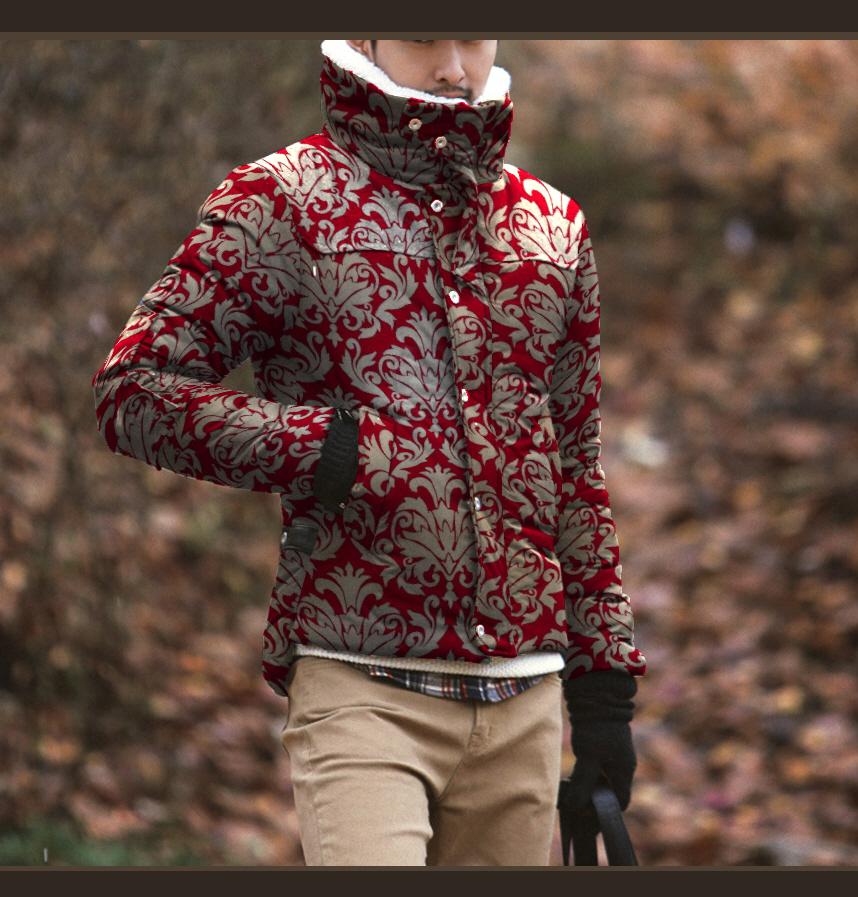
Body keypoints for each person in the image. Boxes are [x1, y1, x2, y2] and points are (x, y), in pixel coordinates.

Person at [91, 37, 647, 866]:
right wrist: (328, 447)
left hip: (524, 704)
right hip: (360, 688)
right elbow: (134, 388)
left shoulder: (554, 225)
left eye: (472, 35)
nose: (453, 66)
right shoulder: (281, 199)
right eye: (423, 37)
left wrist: (603, 692)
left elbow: (575, 463)